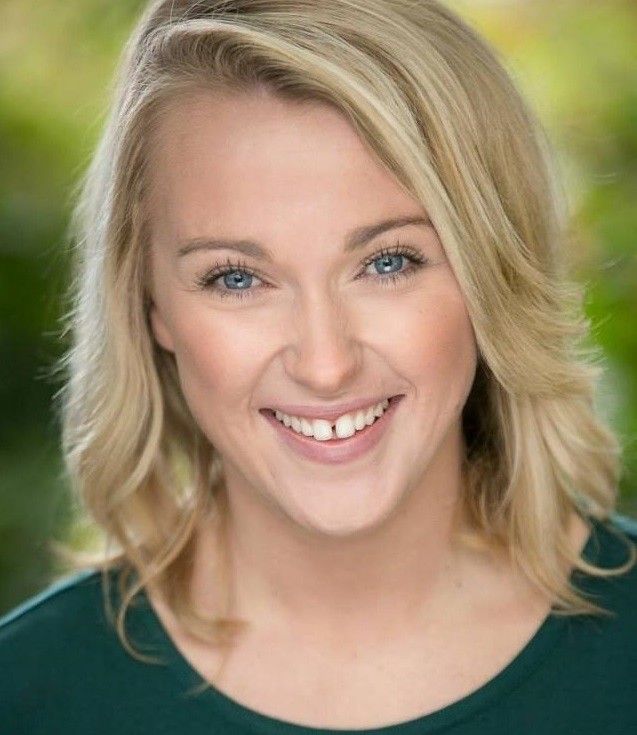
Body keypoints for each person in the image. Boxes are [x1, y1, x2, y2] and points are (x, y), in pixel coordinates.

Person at [1, 0, 635, 732]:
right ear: (149, 304)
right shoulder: (27, 695)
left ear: (490, 272)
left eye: (388, 262)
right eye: (236, 277)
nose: (326, 364)